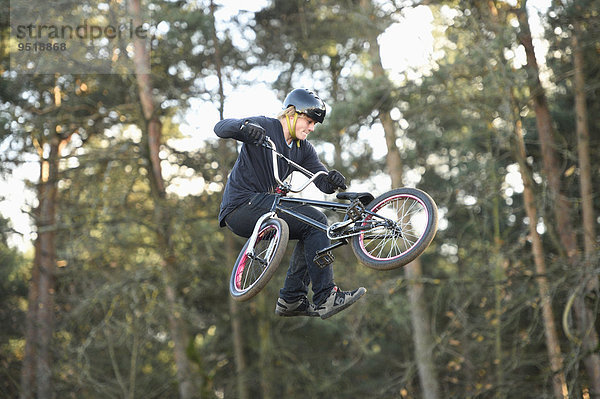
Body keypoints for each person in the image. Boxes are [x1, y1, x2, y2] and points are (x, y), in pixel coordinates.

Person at [214, 88, 366, 319]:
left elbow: (323, 183)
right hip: (241, 207)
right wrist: (245, 129)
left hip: (269, 208)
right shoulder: (265, 127)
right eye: (309, 121)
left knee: (314, 227)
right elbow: (220, 128)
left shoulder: (303, 150)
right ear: (292, 113)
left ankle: (291, 298)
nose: (312, 128)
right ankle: (326, 297)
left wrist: (332, 180)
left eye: (315, 124)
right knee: (315, 219)